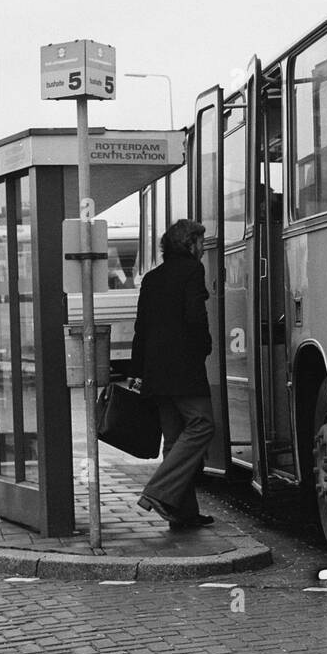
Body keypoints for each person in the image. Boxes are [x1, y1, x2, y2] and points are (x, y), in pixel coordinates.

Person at [130, 219, 216, 529]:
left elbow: (141, 328)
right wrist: (204, 347)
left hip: (156, 371)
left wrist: (136, 370)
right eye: (200, 242)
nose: (203, 248)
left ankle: (183, 513)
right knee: (203, 425)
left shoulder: (152, 279)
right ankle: (158, 492)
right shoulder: (192, 271)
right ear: (189, 244)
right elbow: (196, 316)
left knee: (175, 438)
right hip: (183, 369)